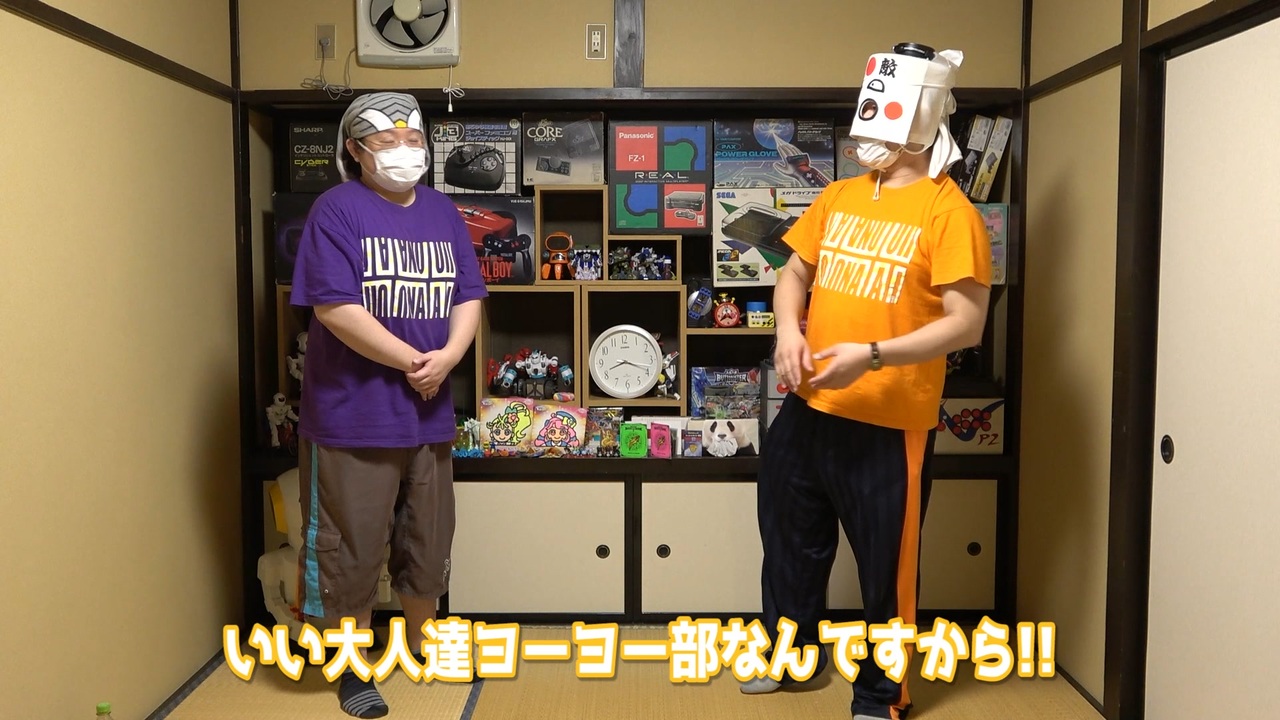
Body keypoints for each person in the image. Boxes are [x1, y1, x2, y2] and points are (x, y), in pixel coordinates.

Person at [742, 44, 992, 720]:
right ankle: (791, 658)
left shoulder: (949, 212)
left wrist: (874, 355)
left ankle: (882, 695)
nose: (867, 135)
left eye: (885, 119)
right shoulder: (839, 195)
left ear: (921, 122)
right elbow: (794, 272)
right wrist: (787, 332)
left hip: (890, 420)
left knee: (887, 568)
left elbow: (967, 323)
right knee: (789, 542)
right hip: (809, 405)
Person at [290, 91, 487, 719]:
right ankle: (350, 666)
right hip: (352, 414)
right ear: (354, 149)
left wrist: (449, 357)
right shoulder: (336, 209)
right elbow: (334, 307)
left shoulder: (443, 210)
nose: (404, 150)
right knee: (349, 545)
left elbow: (468, 294)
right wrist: (414, 363)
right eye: (386, 141)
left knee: (427, 536)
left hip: (428, 412)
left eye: (413, 138)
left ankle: (423, 641)